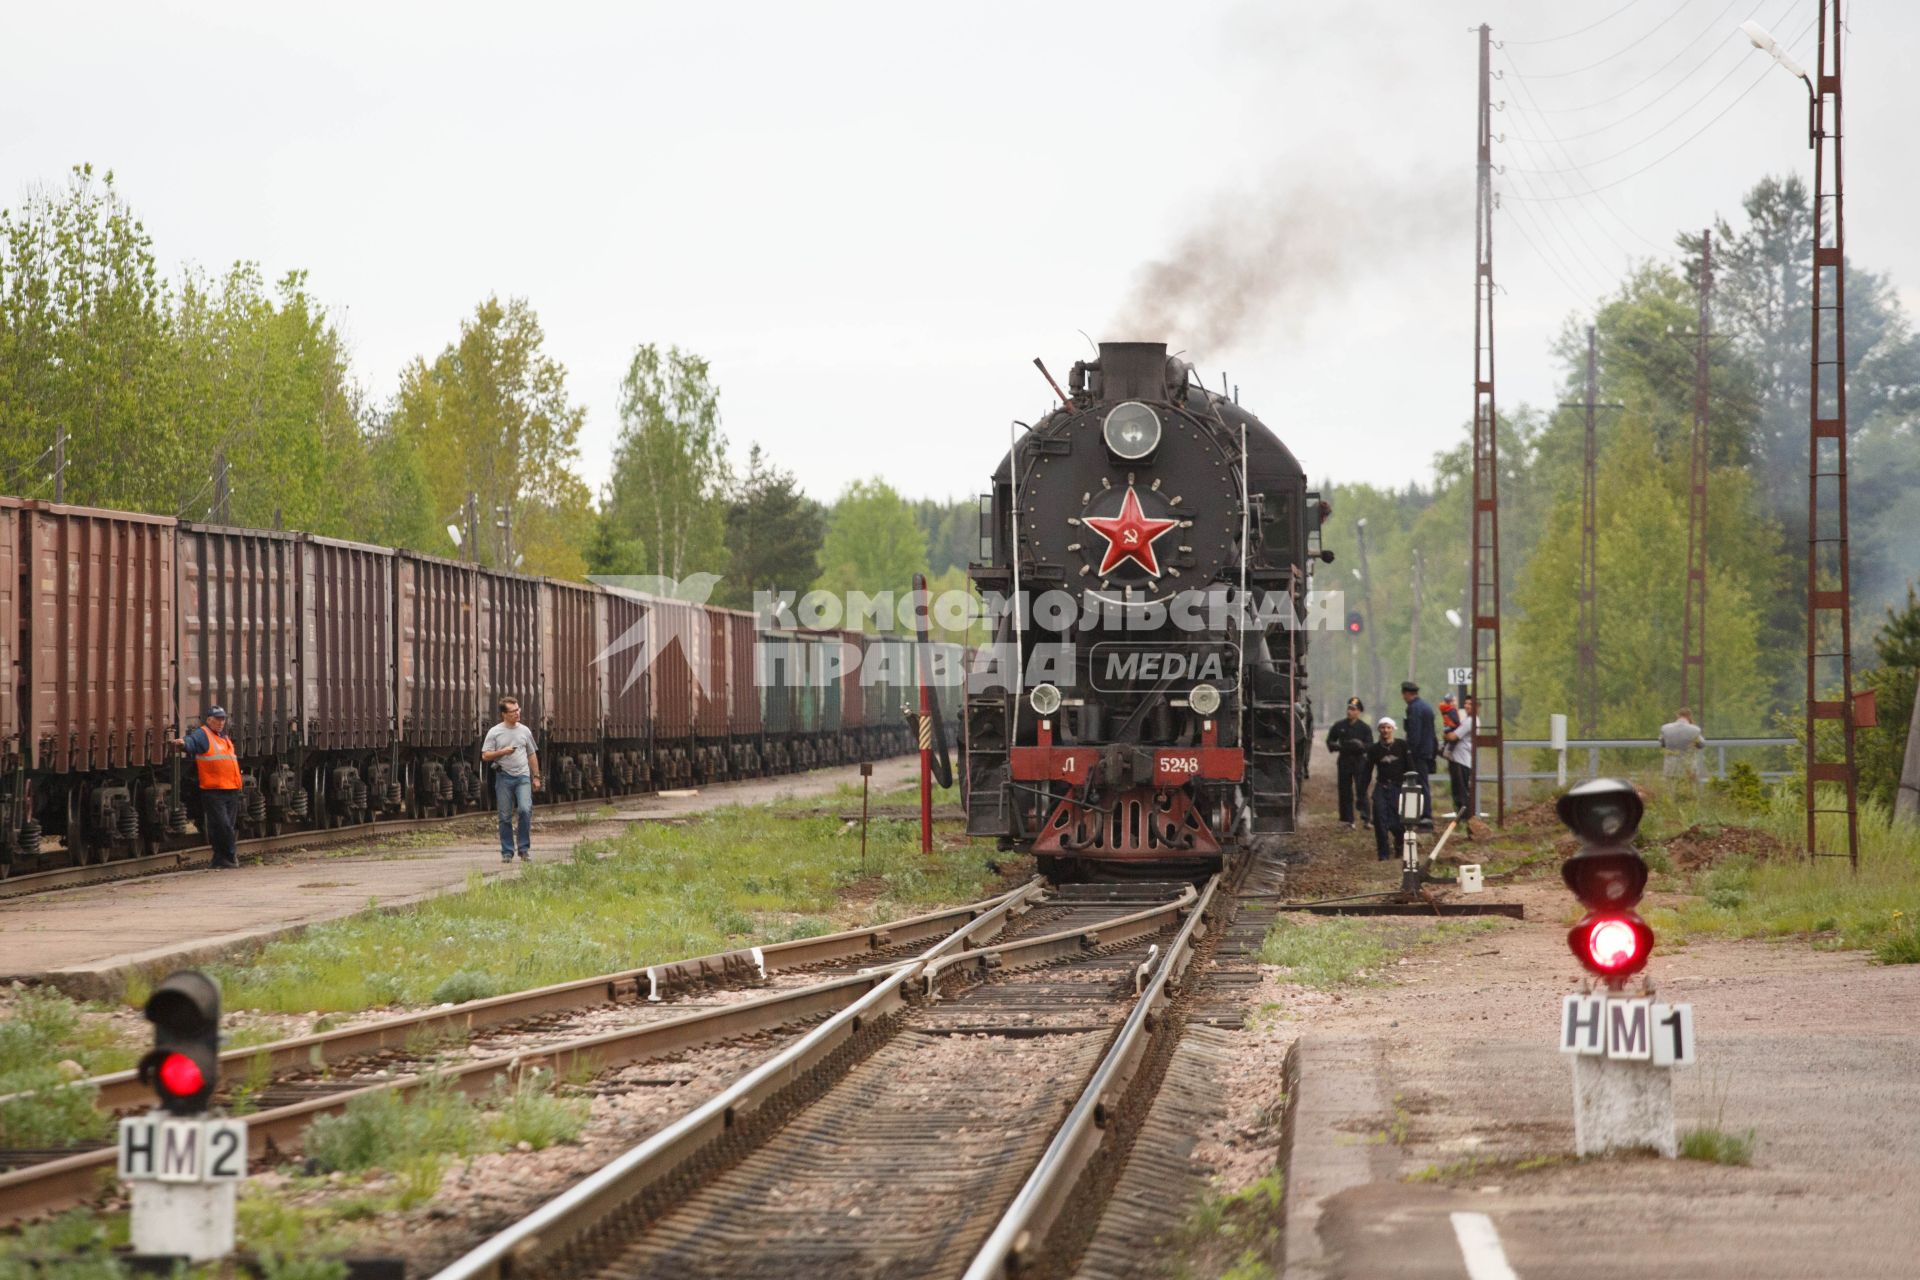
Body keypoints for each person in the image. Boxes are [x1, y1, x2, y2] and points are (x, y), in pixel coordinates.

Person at [171, 706, 244, 870]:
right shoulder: (203, 734)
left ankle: (220, 859)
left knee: (223, 826)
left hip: (231, 789)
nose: (221, 722)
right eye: (217, 719)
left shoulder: (223, 737)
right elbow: (192, 742)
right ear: (209, 720)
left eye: (223, 719)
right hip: (214, 790)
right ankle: (230, 857)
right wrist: (183, 744)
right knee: (223, 825)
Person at [482, 696, 542, 862]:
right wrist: (502, 752)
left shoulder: (525, 731)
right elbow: (485, 755)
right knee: (505, 816)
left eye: (518, 710)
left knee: (524, 809)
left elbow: (531, 754)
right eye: (513, 711)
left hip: (522, 777)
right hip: (503, 778)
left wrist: (536, 776)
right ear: (504, 714)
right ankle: (507, 852)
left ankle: (524, 849)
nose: (517, 713)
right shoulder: (494, 732)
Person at [1367, 716, 1412, 862]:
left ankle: (1399, 843)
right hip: (1381, 786)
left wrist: (1412, 787)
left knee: (1397, 822)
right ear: (1379, 729)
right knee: (1380, 820)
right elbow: (1367, 770)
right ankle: (1383, 853)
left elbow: (1410, 767)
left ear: (1393, 729)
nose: (1385, 730)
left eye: (1388, 728)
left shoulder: (1401, 746)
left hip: (1398, 787)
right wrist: (1362, 791)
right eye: (1382, 727)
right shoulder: (1374, 749)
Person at [1325, 698, 1373, 828]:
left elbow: (1370, 745)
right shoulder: (1339, 725)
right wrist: (1338, 746)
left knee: (1361, 789)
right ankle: (1347, 819)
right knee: (1345, 790)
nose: (1349, 712)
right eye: (1349, 708)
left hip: (1359, 761)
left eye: (1353, 709)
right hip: (1344, 759)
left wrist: (1361, 746)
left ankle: (1366, 818)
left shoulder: (1364, 728)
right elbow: (1330, 741)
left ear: (1359, 712)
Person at [1399, 681, 1438, 825]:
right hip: (1427, 751)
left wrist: (1408, 751)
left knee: (1418, 783)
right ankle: (1422, 814)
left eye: (1404, 695)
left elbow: (1414, 732)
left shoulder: (1414, 709)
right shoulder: (1426, 706)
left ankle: (1424, 815)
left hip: (1418, 753)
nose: (1403, 698)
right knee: (1422, 783)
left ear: (1407, 694)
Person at [1444, 695, 1477, 821]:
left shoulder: (1470, 721)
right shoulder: (1466, 719)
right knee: (1458, 790)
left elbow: (1453, 736)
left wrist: (1447, 734)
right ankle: (1462, 816)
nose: (1467, 706)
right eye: (1466, 703)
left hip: (1461, 760)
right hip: (1458, 758)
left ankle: (1465, 818)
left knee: (1461, 791)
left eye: (1470, 704)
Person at [1659, 707, 1706, 782]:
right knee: (1689, 791)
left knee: (1671, 790)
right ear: (1689, 716)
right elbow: (1701, 744)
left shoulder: (1665, 728)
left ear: (1677, 715)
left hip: (1670, 767)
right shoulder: (1695, 729)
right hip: (1688, 768)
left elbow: (1662, 744)